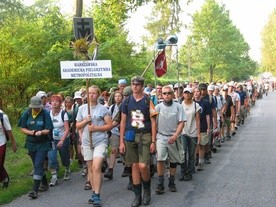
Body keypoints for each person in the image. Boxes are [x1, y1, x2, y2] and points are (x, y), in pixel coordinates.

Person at [119, 76, 158, 207]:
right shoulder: (126, 101)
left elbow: (153, 122)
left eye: (138, 84)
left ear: (142, 86)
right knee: (134, 166)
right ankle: (137, 196)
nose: (135, 86)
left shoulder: (148, 101)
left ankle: (146, 189)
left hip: (144, 135)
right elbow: (123, 121)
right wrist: (121, 142)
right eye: (133, 84)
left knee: (143, 165)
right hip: (130, 136)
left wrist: (153, 141)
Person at [76, 85, 113, 207]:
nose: (91, 95)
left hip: (100, 141)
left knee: (97, 167)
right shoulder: (82, 109)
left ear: (98, 95)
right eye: (89, 93)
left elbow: (109, 125)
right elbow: (77, 126)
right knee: (91, 168)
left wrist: (96, 128)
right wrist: (85, 121)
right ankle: (93, 191)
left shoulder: (103, 109)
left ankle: (97, 194)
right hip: (87, 142)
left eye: (93, 93)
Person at [18, 96, 53, 199]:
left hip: (43, 143)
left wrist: (41, 132)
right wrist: (31, 132)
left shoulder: (45, 113)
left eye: (38, 107)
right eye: (34, 107)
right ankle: (45, 183)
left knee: (38, 163)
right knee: (36, 164)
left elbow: (48, 129)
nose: (36, 108)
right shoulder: (27, 113)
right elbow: (22, 128)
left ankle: (35, 190)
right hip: (31, 143)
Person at [154, 85, 186, 194]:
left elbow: (182, 122)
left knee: (173, 161)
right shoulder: (157, 107)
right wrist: (153, 140)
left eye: (169, 93)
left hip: (173, 137)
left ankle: (171, 182)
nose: (166, 95)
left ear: (173, 94)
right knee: (160, 159)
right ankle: (160, 183)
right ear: (161, 95)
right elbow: (153, 124)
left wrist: (175, 135)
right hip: (161, 137)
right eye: (164, 93)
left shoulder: (178, 107)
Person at [48, 95, 70, 186]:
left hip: (63, 138)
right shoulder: (48, 113)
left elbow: (67, 129)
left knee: (64, 157)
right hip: (52, 139)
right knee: (52, 158)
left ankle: (67, 169)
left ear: (60, 104)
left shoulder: (63, 113)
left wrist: (62, 140)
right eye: (52, 101)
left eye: (56, 101)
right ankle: (54, 177)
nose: (54, 103)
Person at [179, 87, 201, 181]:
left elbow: (198, 120)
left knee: (191, 154)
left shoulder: (196, 106)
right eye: (185, 93)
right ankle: (183, 171)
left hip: (193, 132)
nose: (187, 95)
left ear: (192, 95)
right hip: (183, 132)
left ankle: (190, 172)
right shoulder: (180, 105)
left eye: (189, 93)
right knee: (183, 152)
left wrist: (199, 133)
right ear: (183, 94)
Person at [104, 91, 123, 180]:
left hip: (125, 132)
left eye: (119, 96)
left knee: (125, 152)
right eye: (116, 96)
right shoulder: (111, 107)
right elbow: (109, 119)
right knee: (113, 150)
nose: (118, 98)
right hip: (115, 131)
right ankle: (110, 169)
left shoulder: (124, 106)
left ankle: (128, 167)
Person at [193, 87, 211, 171]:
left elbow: (207, 115)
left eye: (197, 91)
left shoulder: (205, 103)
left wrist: (208, 127)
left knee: (201, 144)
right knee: (196, 144)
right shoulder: (191, 103)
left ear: (200, 93)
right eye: (195, 92)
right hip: (193, 127)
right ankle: (196, 158)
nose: (196, 93)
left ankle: (200, 161)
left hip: (203, 126)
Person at [0, 110, 17, 188]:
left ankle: (4, 178)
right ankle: (4, 178)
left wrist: (13, 144)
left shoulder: (3, 116)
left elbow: (9, 131)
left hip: (1, 142)